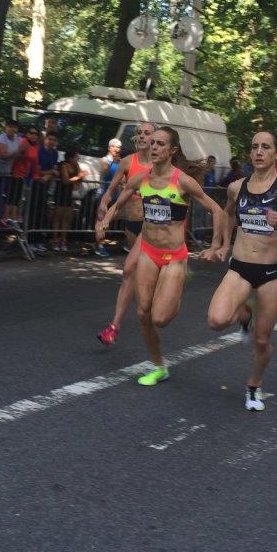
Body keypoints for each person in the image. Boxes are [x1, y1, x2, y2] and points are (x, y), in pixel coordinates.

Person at [96, 127, 226, 386]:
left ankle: (175, 291)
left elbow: (217, 210)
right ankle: (158, 367)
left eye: (160, 144)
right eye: (152, 143)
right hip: (148, 252)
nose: (154, 147)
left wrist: (215, 246)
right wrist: (106, 219)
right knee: (143, 313)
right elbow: (119, 202)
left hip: (174, 256)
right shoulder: (140, 179)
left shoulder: (183, 181)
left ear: (172, 150)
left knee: (160, 318)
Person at [207, 130, 277, 411]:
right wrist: (223, 244)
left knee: (262, 340)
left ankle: (253, 386)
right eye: (254, 147)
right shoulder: (236, 187)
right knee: (216, 320)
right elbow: (227, 213)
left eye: (266, 147)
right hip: (240, 267)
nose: (259, 152)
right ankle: (245, 313)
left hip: (272, 273)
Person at [94, 122, 155, 347]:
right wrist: (104, 207)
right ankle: (118, 325)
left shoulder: (161, 164)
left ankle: (115, 325)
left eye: (147, 133)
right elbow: (110, 191)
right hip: (131, 224)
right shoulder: (128, 162)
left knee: (129, 269)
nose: (142, 136)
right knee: (134, 273)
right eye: (139, 133)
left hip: (152, 226)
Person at [52, 147, 86, 251]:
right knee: (58, 217)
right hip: (60, 192)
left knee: (66, 217)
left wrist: (80, 177)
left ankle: (63, 239)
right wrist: (78, 177)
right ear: (70, 158)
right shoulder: (63, 165)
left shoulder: (76, 166)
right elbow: (65, 180)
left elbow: (80, 179)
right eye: (76, 157)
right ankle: (55, 240)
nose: (78, 159)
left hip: (69, 194)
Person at [94, 139, 123, 257]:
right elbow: (105, 172)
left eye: (119, 147)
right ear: (109, 148)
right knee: (101, 219)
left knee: (107, 221)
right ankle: (98, 245)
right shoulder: (104, 160)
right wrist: (113, 162)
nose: (117, 149)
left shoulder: (120, 162)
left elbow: (122, 178)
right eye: (114, 147)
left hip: (115, 195)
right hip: (103, 194)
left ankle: (101, 243)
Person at [0, 120, 23, 228]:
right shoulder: (1, 138)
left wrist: (19, 153)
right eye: (9, 126)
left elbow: (23, 153)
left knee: (4, 196)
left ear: (16, 129)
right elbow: (3, 155)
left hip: (7, 173)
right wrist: (17, 152)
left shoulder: (19, 139)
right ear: (5, 127)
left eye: (14, 127)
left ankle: (1, 219)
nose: (11, 129)